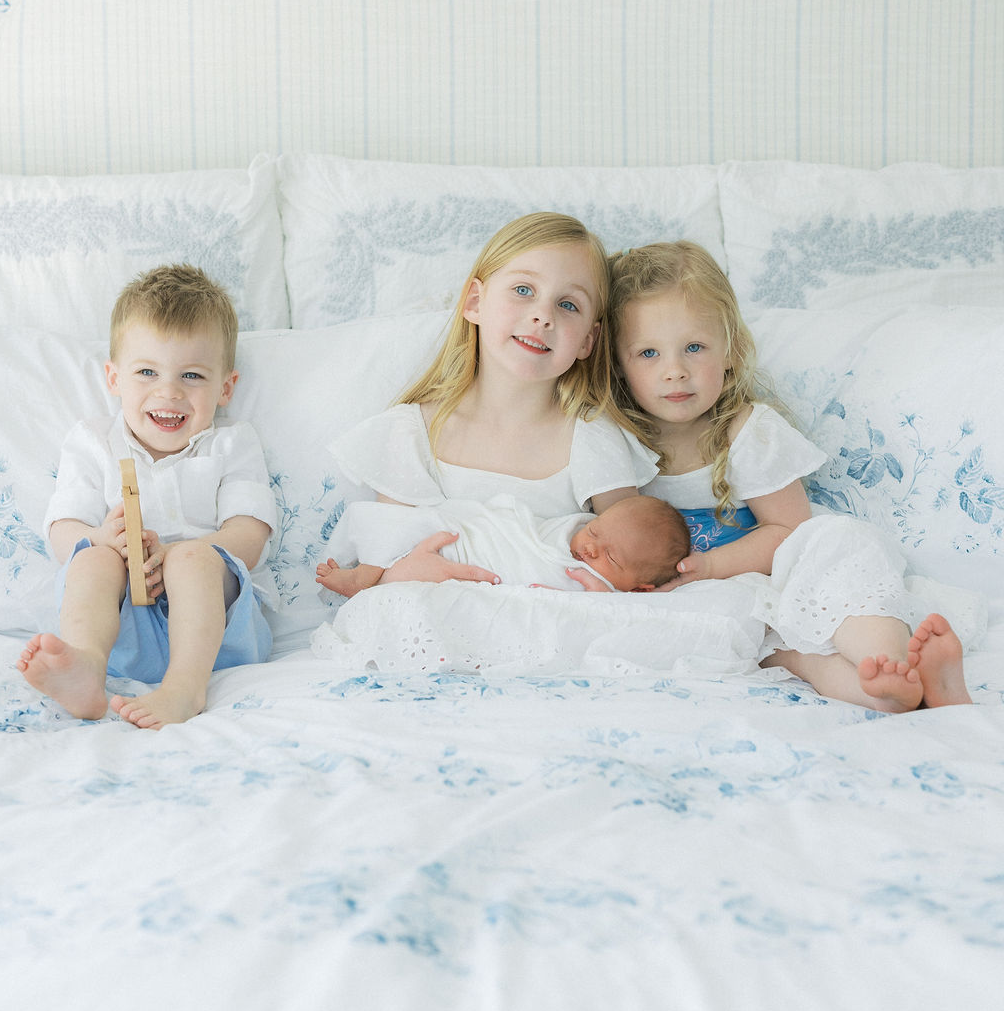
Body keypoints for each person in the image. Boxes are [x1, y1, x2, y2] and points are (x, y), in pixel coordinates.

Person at [607, 240, 976, 713]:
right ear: (618, 364)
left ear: (730, 351)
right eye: (649, 354)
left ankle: (894, 660)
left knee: (841, 551)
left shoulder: (746, 431)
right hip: (710, 602)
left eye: (694, 348)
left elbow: (789, 530)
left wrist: (714, 565)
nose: (675, 372)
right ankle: (886, 693)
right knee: (791, 654)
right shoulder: (617, 442)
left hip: (776, 572)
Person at [323, 211, 661, 587]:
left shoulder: (592, 439)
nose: (543, 316)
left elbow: (632, 563)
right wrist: (398, 575)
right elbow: (380, 562)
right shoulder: (413, 433)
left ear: (587, 341)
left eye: (568, 305)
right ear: (474, 303)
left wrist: (600, 594)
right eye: (523, 290)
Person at [16, 264, 276, 729]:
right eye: (147, 372)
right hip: (120, 631)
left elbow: (251, 535)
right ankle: (87, 668)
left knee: (194, 560)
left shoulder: (232, 442)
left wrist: (179, 553)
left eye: (193, 375)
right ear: (114, 379)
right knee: (90, 559)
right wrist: (100, 538)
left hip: (213, 631)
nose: (169, 391)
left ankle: (183, 688)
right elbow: (61, 531)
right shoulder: (93, 441)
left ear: (226, 387)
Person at [317, 492, 691, 596]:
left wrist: (598, 603)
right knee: (415, 523)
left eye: (610, 557)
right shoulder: (570, 529)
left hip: (476, 585)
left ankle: (375, 582)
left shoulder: (605, 595)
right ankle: (366, 573)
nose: (590, 549)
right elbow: (519, 531)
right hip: (472, 542)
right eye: (594, 533)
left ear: (639, 587)